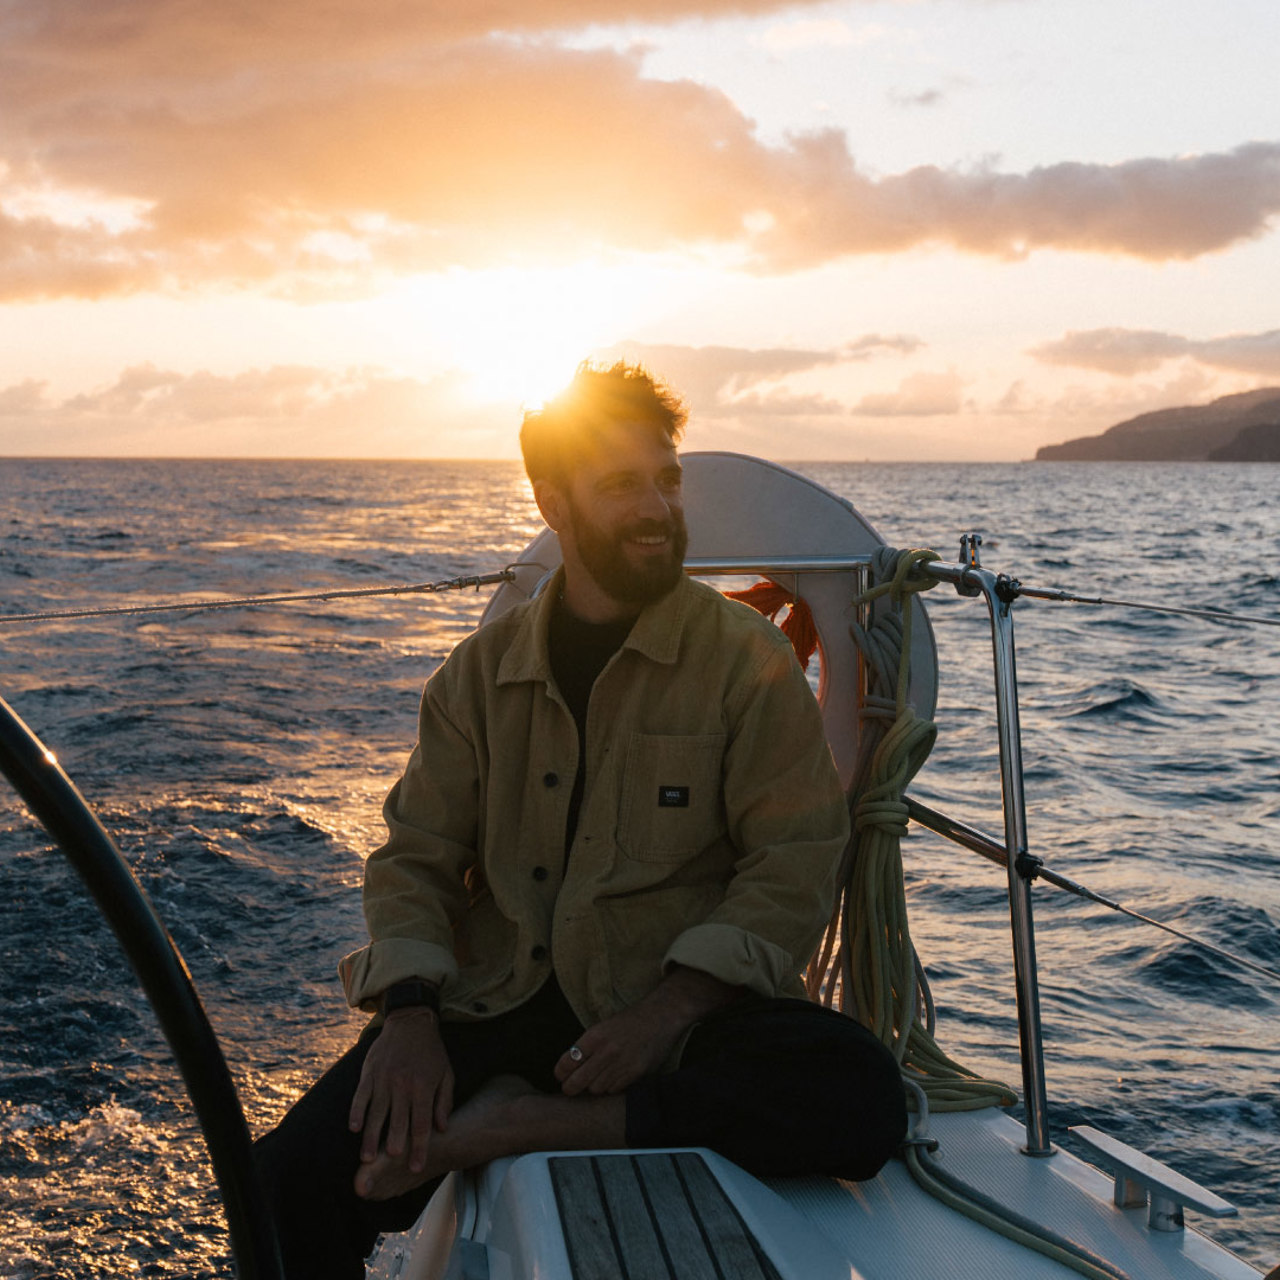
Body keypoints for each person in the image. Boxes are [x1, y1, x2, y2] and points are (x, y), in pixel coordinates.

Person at [254, 362, 907, 1278]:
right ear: (554, 503)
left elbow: (793, 861)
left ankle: (525, 1123)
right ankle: (514, 1101)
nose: (658, 508)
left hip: (676, 1010)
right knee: (288, 1177)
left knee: (862, 1096)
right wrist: (408, 1021)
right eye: (621, 486)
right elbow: (416, 859)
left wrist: (666, 1012)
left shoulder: (744, 662)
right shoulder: (477, 678)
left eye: (666, 480)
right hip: (503, 1001)